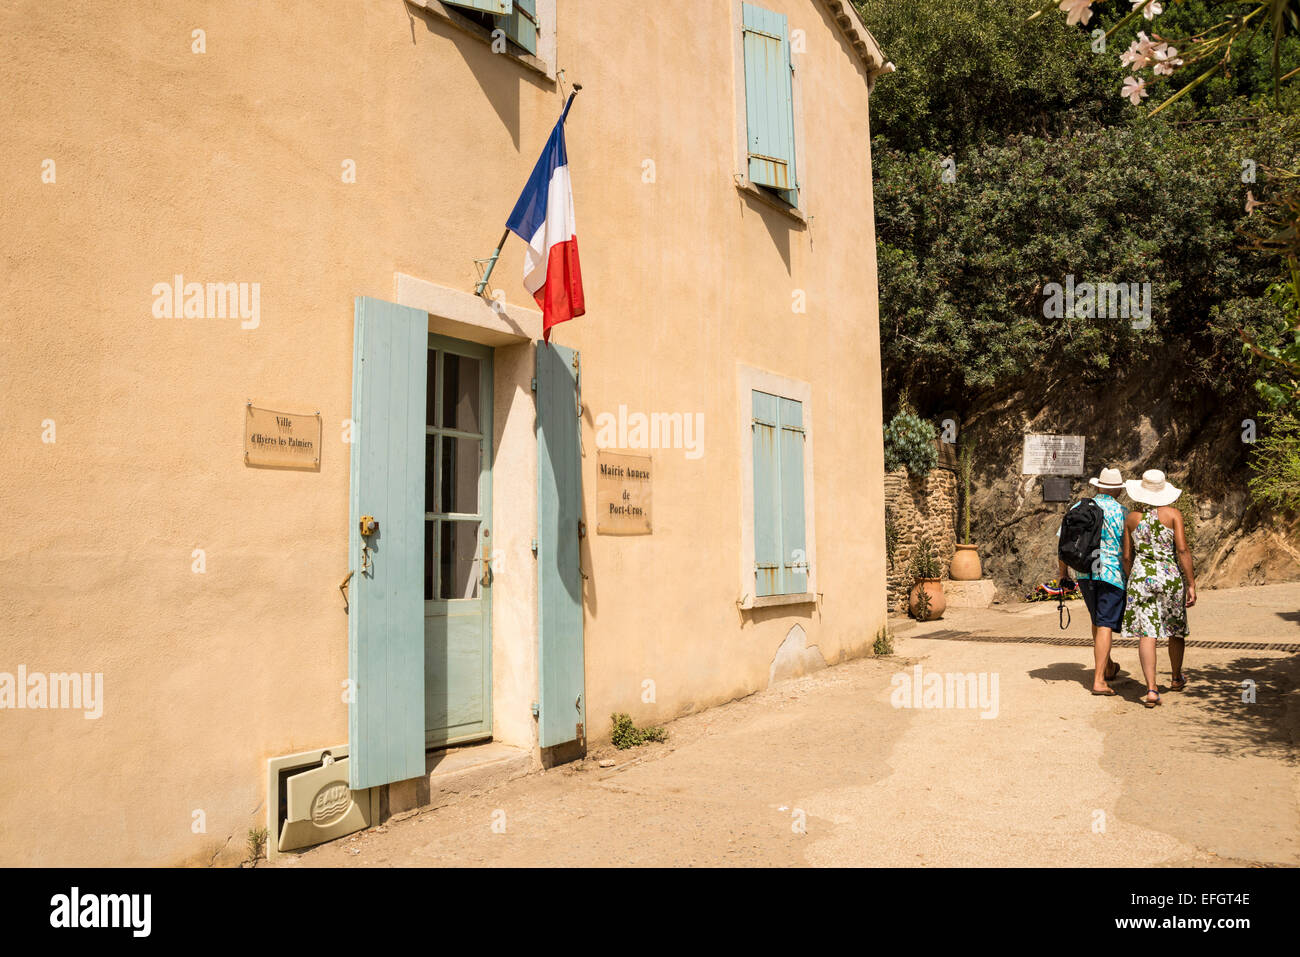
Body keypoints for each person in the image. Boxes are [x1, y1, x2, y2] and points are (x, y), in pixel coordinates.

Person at [1121, 469, 1196, 708]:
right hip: (1169, 577)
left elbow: (1126, 556)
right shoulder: (1174, 514)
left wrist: (1130, 578)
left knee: (1147, 632)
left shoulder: (1132, 518)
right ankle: (1175, 678)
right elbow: (1182, 550)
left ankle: (1151, 689)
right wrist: (1191, 583)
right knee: (1175, 627)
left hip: (1141, 577)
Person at [1058, 467, 1129, 696]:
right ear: (1118, 489)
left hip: (1085, 573)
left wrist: (1063, 575)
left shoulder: (1079, 507)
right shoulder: (1122, 512)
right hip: (1111, 574)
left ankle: (1107, 666)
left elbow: (1063, 541)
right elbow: (1128, 550)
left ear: (1098, 486)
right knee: (1106, 623)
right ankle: (1099, 680)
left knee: (1097, 621)